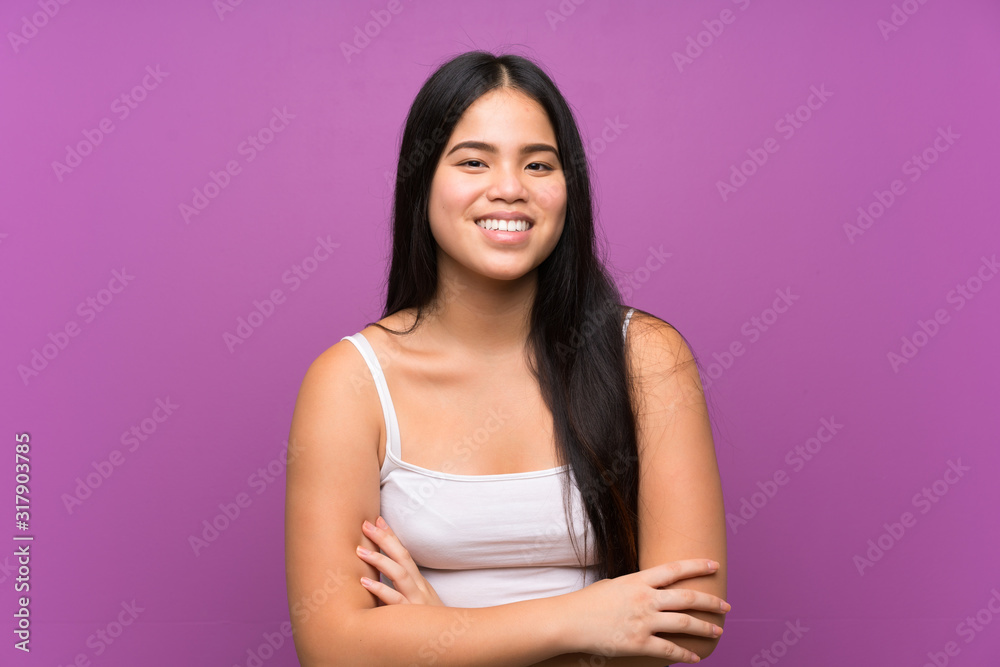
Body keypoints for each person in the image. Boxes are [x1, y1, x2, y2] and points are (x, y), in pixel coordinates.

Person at [284, 50, 729, 666]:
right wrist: (585, 617)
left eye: (538, 164)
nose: (510, 189)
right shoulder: (350, 381)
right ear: (422, 182)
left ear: (569, 188)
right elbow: (333, 650)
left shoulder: (646, 358)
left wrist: (442, 635)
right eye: (473, 161)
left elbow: (688, 625)